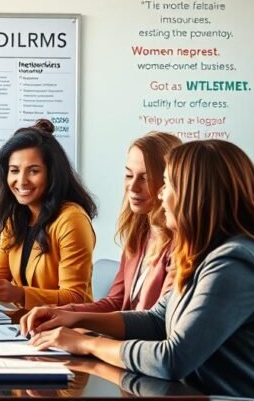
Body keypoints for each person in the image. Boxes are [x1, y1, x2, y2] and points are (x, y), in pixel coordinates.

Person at [21, 140, 254, 401]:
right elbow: (157, 320)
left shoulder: (237, 262)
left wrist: (85, 344)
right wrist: (73, 318)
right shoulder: (209, 253)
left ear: (196, 196)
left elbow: (171, 359)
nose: (161, 195)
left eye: (167, 184)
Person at [0, 119, 97, 309]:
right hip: (28, 325)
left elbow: (75, 297)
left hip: (67, 330)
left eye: (33, 171)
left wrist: (19, 294)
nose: (21, 181)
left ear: (52, 174)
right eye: (14, 171)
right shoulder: (17, 218)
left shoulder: (71, 220)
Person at [33, 132, 180, 321]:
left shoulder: (181, 245)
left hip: (140, 345)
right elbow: (115, 302)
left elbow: (158, 323)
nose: (132, 187)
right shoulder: (139, 234)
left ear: (169, 182)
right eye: (128, 175)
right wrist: (60, 312)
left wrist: (79, 330)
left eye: (145, 178)